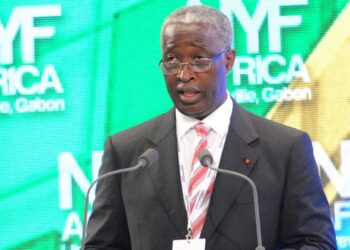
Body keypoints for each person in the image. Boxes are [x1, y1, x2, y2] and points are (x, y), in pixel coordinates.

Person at [84, 5, 337, 250]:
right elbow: (102, 245)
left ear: (228, 60)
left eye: (198, 59)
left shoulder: (285, 149)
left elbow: (315, 243)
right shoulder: (127, 152)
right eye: (172, 60)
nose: (184, 74)